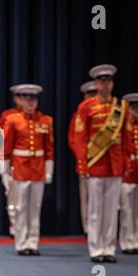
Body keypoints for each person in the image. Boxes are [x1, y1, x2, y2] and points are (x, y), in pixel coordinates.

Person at [74, 64, 128, 263]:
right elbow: (80, 138)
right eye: (102, 81)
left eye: (109, 81)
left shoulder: (121, 107)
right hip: (95, 164)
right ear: (96, 84)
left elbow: (127, 137)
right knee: (96, 210)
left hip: (115, 165)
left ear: (112, 84)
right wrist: (83, 163)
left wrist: (126, 163)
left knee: (112, 210)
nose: (105, 85)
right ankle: (96, 248)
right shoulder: (86, 107)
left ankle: (109, 248)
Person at [1, 84, 54, 256]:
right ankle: (21, 243)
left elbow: (49, 149)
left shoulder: (46, 120)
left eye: (34, 100)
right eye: (27, 99)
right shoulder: (13, 120)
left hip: (38, 169)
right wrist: (6, 170)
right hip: (21, 168)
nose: (31, 103)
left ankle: (33, 242)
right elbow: (7, 148)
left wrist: (48, 170)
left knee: (35, 208)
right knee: (21, 207)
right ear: (21, 101)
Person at [68, 81, 97, 234]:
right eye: (89, 94)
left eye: (94, 94)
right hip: (87, 161)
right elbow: (74, 140)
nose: (92, 97)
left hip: (107, 163)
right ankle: (88, 228)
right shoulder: (79, 115)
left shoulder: (108, 113)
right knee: (86, 197)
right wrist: (83, 158)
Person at [0, 87, 25, 237]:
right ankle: (15, 227)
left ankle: (22, 227)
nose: (25, 101)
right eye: (21, 97)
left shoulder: (37, 118)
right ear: (15, 99)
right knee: (12, 194)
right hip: (8, 160)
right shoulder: (8, 116)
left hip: (24, 162)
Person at [119, 93, 138, 254]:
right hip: (127, 172)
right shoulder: (122, 126)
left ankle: (136, 240)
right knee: (127, 209)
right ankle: (127, 241)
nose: (135, 111)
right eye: (132, 107)